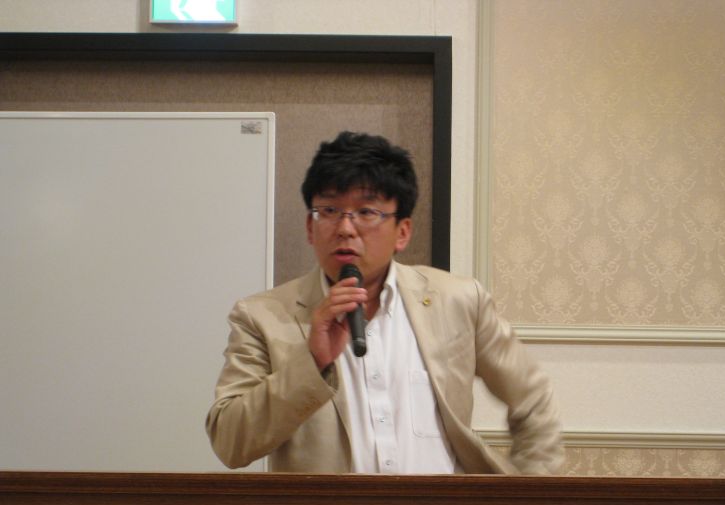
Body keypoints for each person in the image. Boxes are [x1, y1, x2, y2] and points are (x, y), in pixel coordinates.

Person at [206, 131, 563, 474]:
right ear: (310, 228)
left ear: (402, 232)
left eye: (366, 212)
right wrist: (311, 362)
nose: (345, 228)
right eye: (329, 210)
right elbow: (229, 442)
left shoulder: (459, 301)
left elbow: (532, 399)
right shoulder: (261, 316)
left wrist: (529, 499)